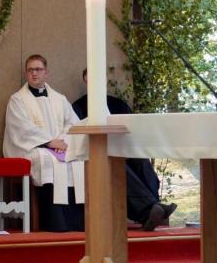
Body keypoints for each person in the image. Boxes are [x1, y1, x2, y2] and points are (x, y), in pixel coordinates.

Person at [71, 68, 176, 230]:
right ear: (85, 81)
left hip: (123, 147)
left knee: (141, 161)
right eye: (90, 79)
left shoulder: (118, 104)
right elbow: (78, 135)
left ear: (104, 80)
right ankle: (150, 211)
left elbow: (131, 128)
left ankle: (156, 208)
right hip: (98, 152)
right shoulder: (78, 106)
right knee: (119, 167)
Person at [2, 54, 85, 232]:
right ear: (26, 74)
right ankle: (55, 222)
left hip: (61, 146)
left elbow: (73, 123)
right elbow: (21, 129)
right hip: (33, 148)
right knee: (46, 160)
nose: (34, 74)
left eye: (38, 69)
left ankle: (75, 222)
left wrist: (63, 141)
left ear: (46, 72)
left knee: (77, 159)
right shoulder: (17, 100)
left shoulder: (59, 98)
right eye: (30, 70)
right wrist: (49, 142)